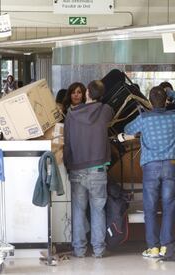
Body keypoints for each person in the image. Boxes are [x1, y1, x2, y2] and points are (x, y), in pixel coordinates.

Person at [124, 86, 175, 258]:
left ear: (150, 101)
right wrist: (170, 93)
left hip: (151, 166)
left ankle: (153, 247)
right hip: (171, 164)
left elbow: (127, 129)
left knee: (150, 208)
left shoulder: (144, 118)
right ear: (166, 100)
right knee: (169, 206)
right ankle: (166, 246)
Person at [63, 80, 114, 258]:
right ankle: (99, 249)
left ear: (87, 94)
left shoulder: (71, 114)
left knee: (78, 209)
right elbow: (110, 111)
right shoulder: (105, 110)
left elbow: (67, 143)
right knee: (98, 209)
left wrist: (69, 164)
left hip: (77, 168)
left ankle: (79, 249)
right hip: (98, 169)